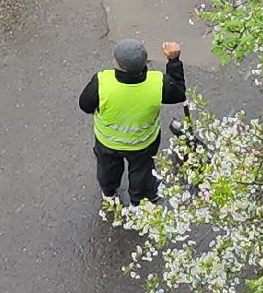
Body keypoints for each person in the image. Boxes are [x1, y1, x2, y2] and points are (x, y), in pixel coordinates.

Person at [79, 39, 186, 207]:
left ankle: (109, 193)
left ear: (117, 64)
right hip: (143, 143)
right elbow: (179, 93)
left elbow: (85, 105)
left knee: (108, 170)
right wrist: (173, 61)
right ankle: (139, 201)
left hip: (108, 142)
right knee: (141, 173)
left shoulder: (102, 82)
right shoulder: (157, 83)